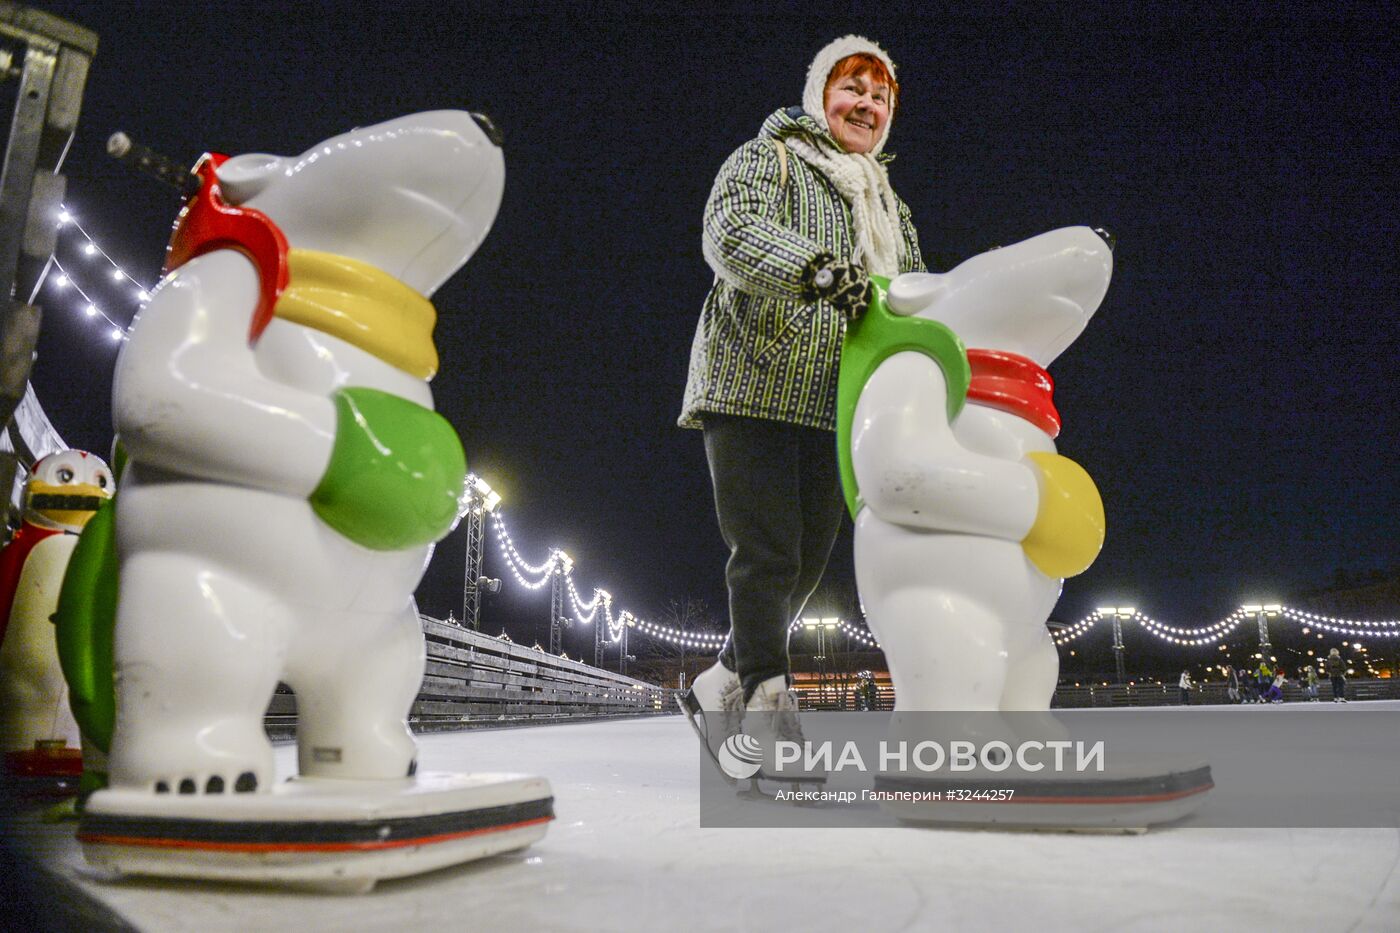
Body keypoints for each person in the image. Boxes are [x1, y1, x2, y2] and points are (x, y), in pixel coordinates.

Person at [677, 36, 924, 738]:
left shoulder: (887, 204)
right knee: (766, 551)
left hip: (835, 397)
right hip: (753, 375)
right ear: (821, 95)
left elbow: (909, 289)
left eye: (881, 97)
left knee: (808, 559)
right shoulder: (770, 157)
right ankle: (765, 708)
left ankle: (719, 678)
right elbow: (730, 232)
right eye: (854, 89)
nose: (867, 105)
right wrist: (815, 269)